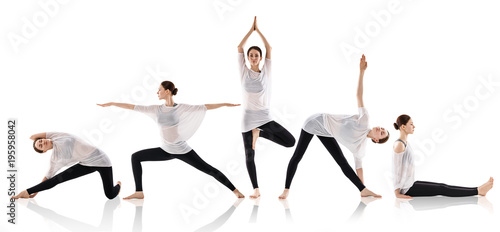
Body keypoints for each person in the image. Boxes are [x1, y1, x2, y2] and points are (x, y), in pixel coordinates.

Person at [98, 81, 245, 199]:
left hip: (182, 150)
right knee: (135, 157)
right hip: (165, 150)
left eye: (159, 90)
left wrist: (226, 104)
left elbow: (204, 107)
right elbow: (132, 106)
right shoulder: (156, 109)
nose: (157, 92)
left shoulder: (181, 108)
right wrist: (112, 103)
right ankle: (139, 192)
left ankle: (235, 191)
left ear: (167, 91)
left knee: (209, 170)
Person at [279, 55, 387, 199]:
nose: (380, 129)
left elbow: (359, 168)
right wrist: (361, 72)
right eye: (382, 128)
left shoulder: (360, 148)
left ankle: (363, 190)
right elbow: (359, 95)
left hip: (326, 132)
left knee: (342, 161)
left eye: (381, 133)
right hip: (316, 121)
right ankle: (286, 189)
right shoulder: (364, 120)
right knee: (298, 155)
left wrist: (363, 185)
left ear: (376, 140)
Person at [238, 16, 296, 198]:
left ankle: (259, 133)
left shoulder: (266, 71)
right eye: (251, 55)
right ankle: (256, 189)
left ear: (260, 58)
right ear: (247, 58)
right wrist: (250, 31)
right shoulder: (243, 71)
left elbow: (269, 48)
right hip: (248, 118)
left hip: (264, 117)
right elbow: (239, 48)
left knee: (290, 141)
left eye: (256, 55)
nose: (253, 58)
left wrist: (258, 31)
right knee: (249, 155)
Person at [392, 114, 493, 198]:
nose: (414, 126)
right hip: (406, 189)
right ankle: (478, 191)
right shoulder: (399, 145)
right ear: (403, 127)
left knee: (442, 186)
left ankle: (478, 189)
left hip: (410, 184)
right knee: (442, 189)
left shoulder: (406, 143)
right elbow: (395, 169)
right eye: (411, 124)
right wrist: (397, 193)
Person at [12, 132, 121, 199]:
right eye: (40, 146)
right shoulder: (54, 159)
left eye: (40, 140)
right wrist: (34, 192)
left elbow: (32, 136)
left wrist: (34, 140)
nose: (42, 143)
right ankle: (25, 192)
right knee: (56, 180)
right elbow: (48, 178)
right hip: (86, 164)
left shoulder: (56, 136)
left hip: (101, 160)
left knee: (110, 195)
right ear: (44, 151)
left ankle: (118, 185)